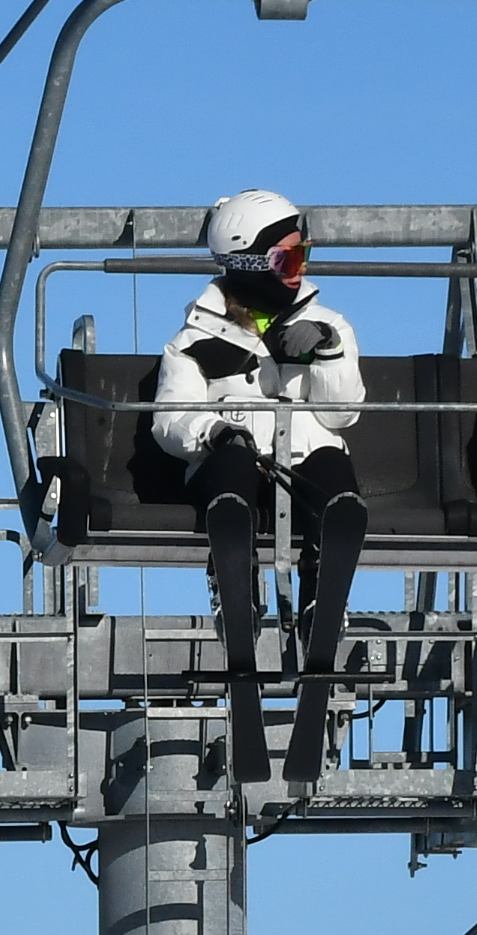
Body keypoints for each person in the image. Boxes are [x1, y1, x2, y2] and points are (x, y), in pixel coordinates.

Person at [156, 189, 369, 787]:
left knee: (330, 469)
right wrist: (213, 428)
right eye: (285, 259)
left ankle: (321, 602)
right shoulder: (194, 340)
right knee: (233, 466)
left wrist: (324, 351)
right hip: (236, 460)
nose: (298, 270)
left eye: (303, 255)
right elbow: (168, 420)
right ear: (248, 264)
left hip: (303, 457)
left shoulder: (327, 323)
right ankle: (238, 591)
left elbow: (344, 412)